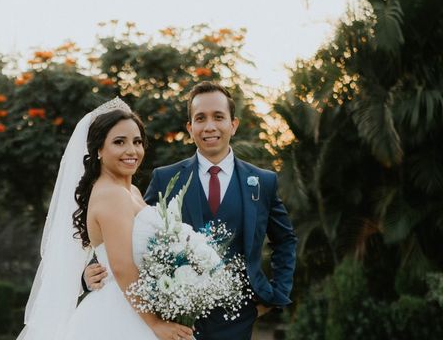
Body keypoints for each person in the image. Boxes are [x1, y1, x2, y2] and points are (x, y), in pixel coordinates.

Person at [85, 82, 297, 340]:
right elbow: (126, 237)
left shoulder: (263, 182)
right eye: (200, 118)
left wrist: (275, 295)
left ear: (233, 124)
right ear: (190, 127)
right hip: (174, 319)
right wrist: (89, 273)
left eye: (218, 117)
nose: (209, 126)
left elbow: (285, 240)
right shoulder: (165, 178)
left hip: (237, 317)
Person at [18, 98, 194, 340]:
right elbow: (122, 267)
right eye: (119, 142)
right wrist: (155, 324)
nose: (131, 151)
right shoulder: (111, 194)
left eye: (137, 142)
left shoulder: (130, 192)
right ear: (99, 150)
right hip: (120, 316)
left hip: (137, 305)